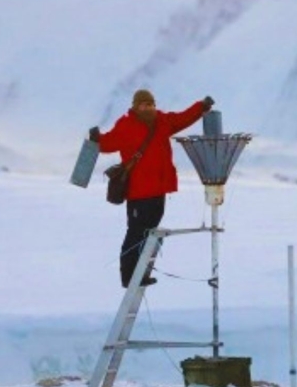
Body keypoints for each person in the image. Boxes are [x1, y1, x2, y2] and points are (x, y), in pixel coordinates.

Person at [90, 89, 214, 288]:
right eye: (143, 104)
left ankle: (141, 273)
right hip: (138, 193)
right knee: (136, 233)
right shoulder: (126, 125)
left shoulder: (163, 121)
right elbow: (107, 144)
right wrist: (97, 138)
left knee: (149, 234)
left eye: (151, 104)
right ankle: (129, 276)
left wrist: (201, 106)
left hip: (159, 190)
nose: (148, 108)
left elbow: (183, 118)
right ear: (135, 106)